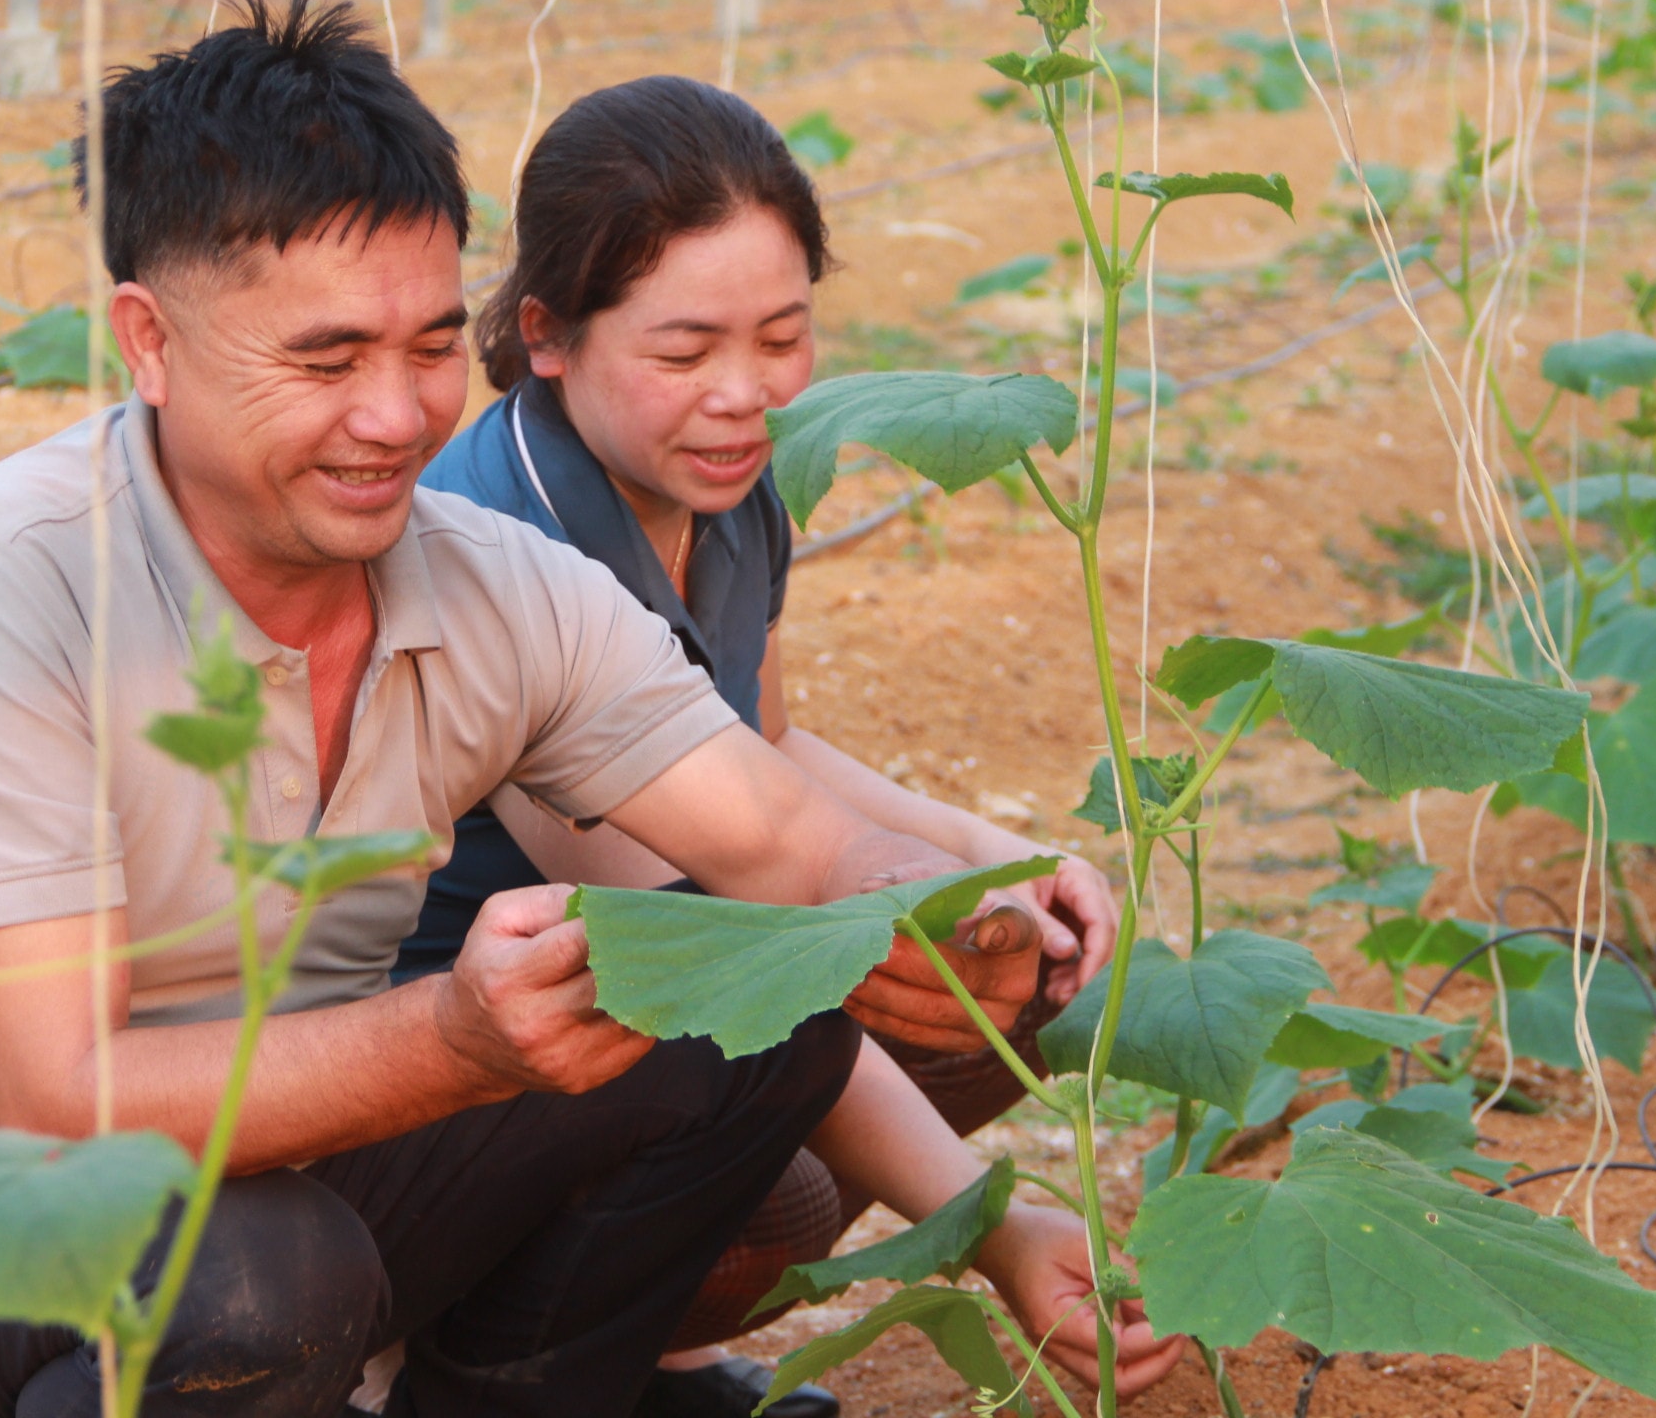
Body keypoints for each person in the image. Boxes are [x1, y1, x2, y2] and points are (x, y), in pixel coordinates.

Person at [0, 0, 1087, 1418]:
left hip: (288, 1210)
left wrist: (936, 911)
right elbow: (57, 1098)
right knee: (268, 1269)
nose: (396, 416)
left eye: (432, 347)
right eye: (326, 363)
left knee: (764, 1028)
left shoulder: (486, 583)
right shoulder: (4, 587)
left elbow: (782, 838)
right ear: (148, 343)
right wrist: (450, 1043)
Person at [404, 75, 1178, 1417]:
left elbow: (763, 745)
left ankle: (660, 1354)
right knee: (782, 1143)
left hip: (657, 1017)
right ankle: (523, 1363)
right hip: (478, 1084)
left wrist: (1008, 852)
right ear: (548, 334)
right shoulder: (502, 551)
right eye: (686, 349)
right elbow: (718, 951)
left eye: (782, 337)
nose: (744, 396)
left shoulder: (734, 488)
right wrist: (994, 1229)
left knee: (1020, 957)